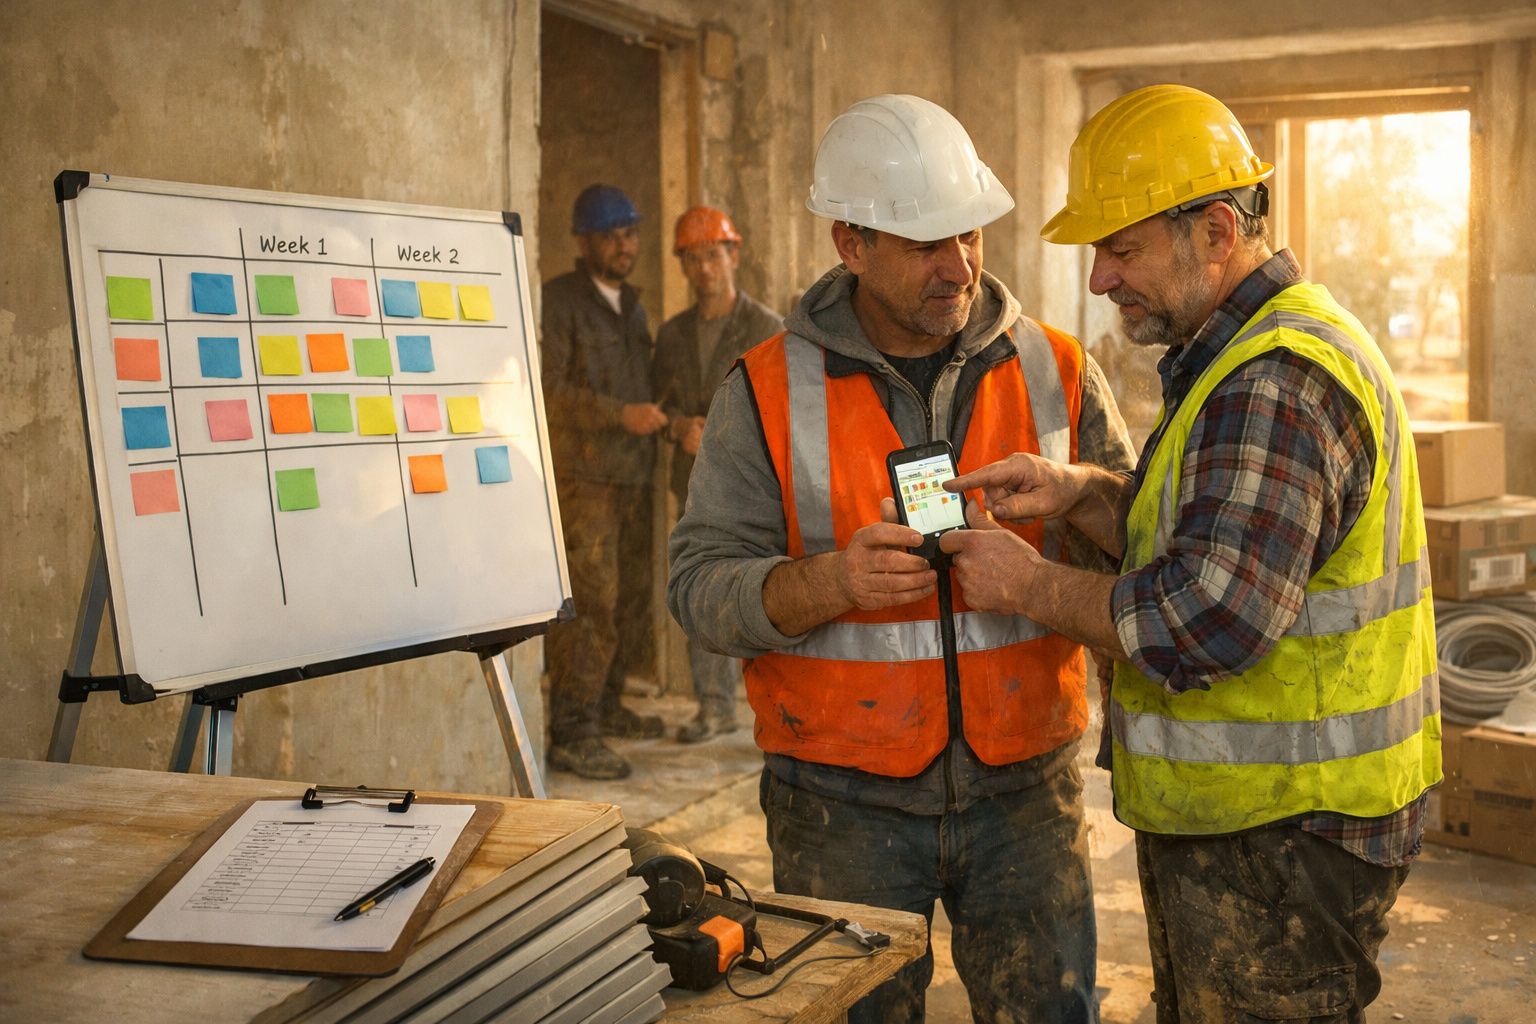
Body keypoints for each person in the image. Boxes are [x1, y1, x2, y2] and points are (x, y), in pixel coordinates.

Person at [940, 84, 1441, 1023]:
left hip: (1284, 839)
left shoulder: (1276, 377)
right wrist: (1087, 494)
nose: (1098, 281)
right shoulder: (1240, 349)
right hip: (1268, 828)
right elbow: (1226, 534)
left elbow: (1203, 618)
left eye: (1121, 251)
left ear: (1216, 230)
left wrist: (1032, 583)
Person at [668, 94, 1134, 1023]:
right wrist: (832, 580)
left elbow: (1148, 546)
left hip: (1026, 795)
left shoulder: (1060, 369)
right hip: (838, 806)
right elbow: (698, 590)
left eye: (968, 235)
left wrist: (1080, 487)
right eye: (926, 244)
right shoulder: (765, 389)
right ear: (850, 244)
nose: (958, 265)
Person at [540, 183, 669, 781]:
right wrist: (620, 414)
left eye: (631, 232)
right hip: (585, 480)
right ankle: (573, 731)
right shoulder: (560, 302)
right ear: (585, 241)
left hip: (633, 476)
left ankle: (608, 705)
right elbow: (550, 394)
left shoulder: (632, 305)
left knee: (630, 597)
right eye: (614, 234)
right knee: (591, 602)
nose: (626, 244)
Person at [652, 205, 782, 743]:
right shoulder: (674, 334)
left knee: (763, 589)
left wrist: (727, 437)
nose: (704, 268)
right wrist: (679, 426)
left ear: (734, 255)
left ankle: (771, 708)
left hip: (758, 485)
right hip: (693, 486)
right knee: (700, 585)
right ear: (683, 266)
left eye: (713, 255)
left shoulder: (766, 327)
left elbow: (784, 408)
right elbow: (659, 408)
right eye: (693, 259)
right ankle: (713, 708)